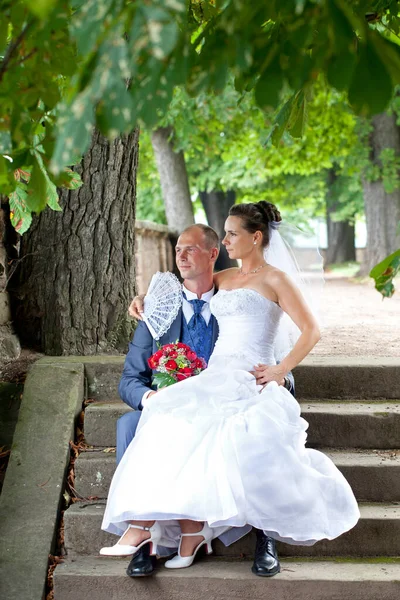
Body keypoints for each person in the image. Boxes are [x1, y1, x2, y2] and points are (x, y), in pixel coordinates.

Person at [100, 201, 359, 579]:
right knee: (165, 417)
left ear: (256, 237)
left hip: (250, 374)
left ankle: (257, 537)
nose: (224, 241)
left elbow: (311, 330)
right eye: (223, 234)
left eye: (232, 233)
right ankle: (154, 530)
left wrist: (280, 369)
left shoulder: (276, 279)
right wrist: (144, 301)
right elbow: (189, 284)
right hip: (216, 375)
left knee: (246, 434)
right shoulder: (224, 277)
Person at [115, 222, 294, 577]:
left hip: (225, 401)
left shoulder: (238, 306)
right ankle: (144, 541)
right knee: (129, 424)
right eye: (178, 249)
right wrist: (151, 397)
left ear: (214, 254)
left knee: (254, 427)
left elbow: (274, 357)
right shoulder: (156, 310)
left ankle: (265, 535)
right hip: (169, 406)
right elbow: (129, 380)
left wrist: (278, 377)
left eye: (190, 249)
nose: (180, 255)